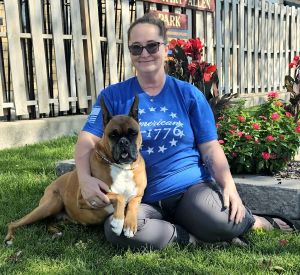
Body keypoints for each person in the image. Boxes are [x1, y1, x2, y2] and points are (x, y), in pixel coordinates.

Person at [75, 14, 294, 250]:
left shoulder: (188, 94)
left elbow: (210, 147)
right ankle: (191, 237)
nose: (144, 53)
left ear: (166, 49)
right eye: (136, 48)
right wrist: (85, 179)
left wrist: (229, 186)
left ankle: (258, 221)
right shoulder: (112, 95)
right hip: (140, 198)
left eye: (152, 46)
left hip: (190, 189)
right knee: (118, 231)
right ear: (130, 53)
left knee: (224, 221)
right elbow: (87, 138)